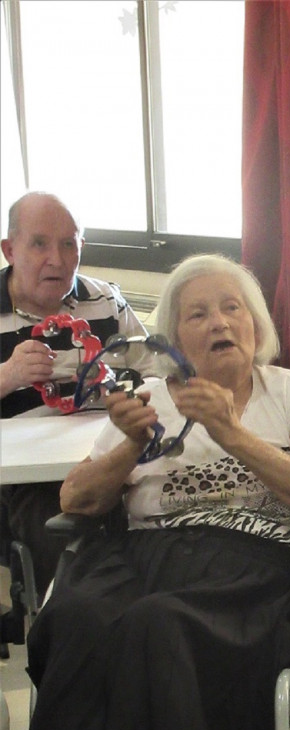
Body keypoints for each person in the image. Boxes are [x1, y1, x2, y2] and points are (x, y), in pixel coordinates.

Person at [17, 253, 290, 730]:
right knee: (71, 618)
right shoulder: (149, 401)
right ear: (174, 337)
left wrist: (231, 431)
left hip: (250, 560)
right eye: (198, 313)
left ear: (256, 323)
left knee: (158, 621)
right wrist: (133, 447)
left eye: (232, 308)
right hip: (145, 554)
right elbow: (76, 501)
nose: (220, 322)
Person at [1, 191, 149, 595]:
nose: (58, 259)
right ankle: (73, 630)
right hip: (31, 477)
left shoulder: (104, 301)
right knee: (59, 532)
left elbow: (154, 368)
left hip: (108, 454)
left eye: (70, 244)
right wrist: (9, 375)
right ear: (10, 250)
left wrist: (126, 383)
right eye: (40, 244)